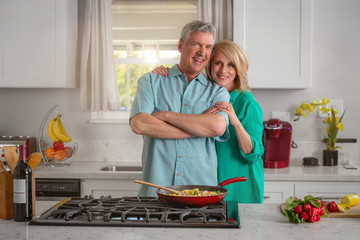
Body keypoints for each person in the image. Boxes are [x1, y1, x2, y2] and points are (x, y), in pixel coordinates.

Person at [152, 40, 264, 203]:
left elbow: (252, 154)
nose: (223, 70)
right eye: (218, 63)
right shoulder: (205, 95)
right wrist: (163, 75)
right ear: (209, 64)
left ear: (239, 69)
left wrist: (235, 121)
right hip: (212, 182)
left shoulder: (246, 102)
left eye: (230, 65)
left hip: (240, 183)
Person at [130, 21, 230, 197]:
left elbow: (216, 127)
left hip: (201, 195)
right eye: (196, 44)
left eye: (208, 47)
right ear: (180, 45)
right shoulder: (151, 82)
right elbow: (139, 124)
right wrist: (198, 129)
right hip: (156, 193)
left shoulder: (218, 92)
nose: (202, 52)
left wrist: (164, 115)